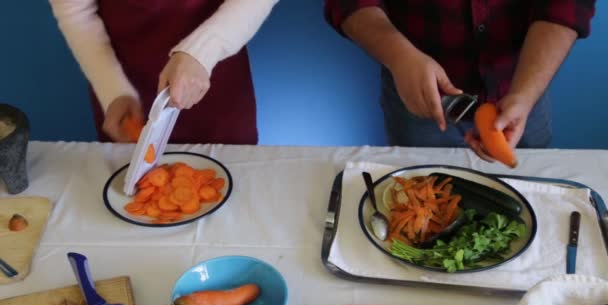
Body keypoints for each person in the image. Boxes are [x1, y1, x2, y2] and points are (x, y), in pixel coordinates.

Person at [324, 1, 595, 162]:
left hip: (524, 90)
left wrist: (525, 94)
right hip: (419, 98)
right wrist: (399, 57)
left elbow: (567, 5)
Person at [50, 0, 278, 144]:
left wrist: (203, 50)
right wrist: (113, 91)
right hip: (126, 85)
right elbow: (76, 13)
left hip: (215, 80)